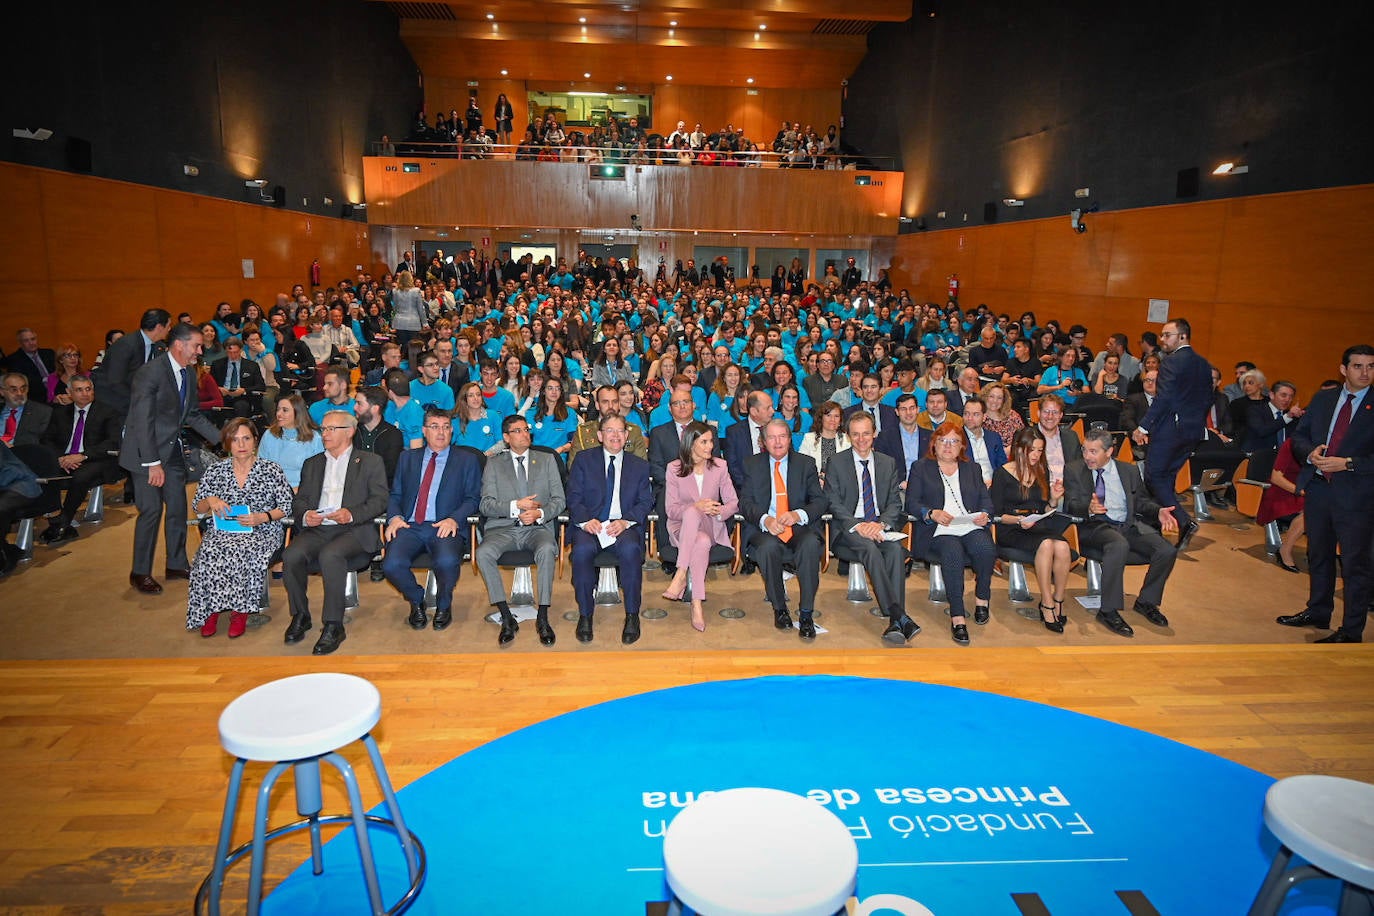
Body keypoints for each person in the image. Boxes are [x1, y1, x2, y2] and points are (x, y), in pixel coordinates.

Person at [1277, 344, 1374, 644]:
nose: (1365, 372)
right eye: (1358, 366)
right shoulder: (1324, 399)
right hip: (1320, 487)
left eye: (1370, 366)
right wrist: (1311, 454)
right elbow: (1300, 437)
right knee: (1318, 554)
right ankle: (1318, 610)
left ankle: (1351, 629)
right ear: (1344, 370)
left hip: (1357, 494)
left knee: (1355, 563)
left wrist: (1348, 463)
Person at [118, 322, 222, 594]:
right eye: (197, 346)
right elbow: (142, 421)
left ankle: (175, 563)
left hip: (172, 451)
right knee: (151, 511)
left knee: (177, 507)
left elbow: (191, 415)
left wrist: (226, 439)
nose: (200, 351)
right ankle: (139, 572)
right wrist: (152, 463)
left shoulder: (188, 372)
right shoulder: (149, 374)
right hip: (145, 453)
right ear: (180, 345)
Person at [282, 410, 390, 655]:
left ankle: (333, 624)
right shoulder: (313, 464)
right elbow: (300, 501)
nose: (325, 434)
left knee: (331, 555)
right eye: (324, 429)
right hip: (319, 529)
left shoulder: (370, 461)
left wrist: (351, 513)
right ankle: (300, 615)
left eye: (332, 429)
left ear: (350, 432)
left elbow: (380, 500)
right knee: (291, 556)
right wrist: (305, 515)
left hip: (354, 530)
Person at [1064, 428, 1179, 638]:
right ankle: (1108, 610)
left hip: (1128, 525)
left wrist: (1159, 510)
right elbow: (1070, 505)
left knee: (1166, 550)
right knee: (1118, 544)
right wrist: (1088, 508)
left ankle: (1147, 602)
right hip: (1095, 526)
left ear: (1109, 452)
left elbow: (1142, 502)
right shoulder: (1073, 469)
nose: (1087, 456)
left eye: (1093, 451)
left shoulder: (1129, 471)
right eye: (1085, 450)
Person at [185, 419, 293, 638]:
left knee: (243, 550)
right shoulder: (215, 470)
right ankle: (211, 609)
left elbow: (287, 506)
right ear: (227, 443)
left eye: (246, 438)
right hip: (224, 530)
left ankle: (240, 610)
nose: (241, 444)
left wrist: (262, 517)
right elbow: (198, 507)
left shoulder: (271, 469)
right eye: (235, 440)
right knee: (208, 553)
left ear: (255, 441)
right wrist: (211, 499)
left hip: (262, 529)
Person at [383, 408, 483, 635]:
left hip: (444, 525)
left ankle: (444, 604)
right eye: (435, 427)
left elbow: (473, 498)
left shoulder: (467, 460)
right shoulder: (407, 458)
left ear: (452, 431)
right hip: (410, 525)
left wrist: (454, 519)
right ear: (424, 431)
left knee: (447, 561)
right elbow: (396, 494)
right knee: (391, 564)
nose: (441, 432)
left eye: (446, 427)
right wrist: (395, 517)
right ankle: (417, 600)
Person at [475, 414, 566, 646]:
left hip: (537, 527)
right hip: (502, 528)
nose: (525, 434)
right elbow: (485, 504)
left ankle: (543, 616)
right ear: (506, 437)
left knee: (547, 548)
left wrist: (539, 513)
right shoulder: (494, 464)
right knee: (483, 553)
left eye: (526, 429)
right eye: (517, 431)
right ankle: (506, 617)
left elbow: (559, 500)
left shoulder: (546, 460)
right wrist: (516, 507)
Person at [824, 411, 915, 645]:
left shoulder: (887, 462)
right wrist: (858, 525)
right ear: (848, 436)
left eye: (866, 433)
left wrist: (880, 524)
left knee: (895, 551)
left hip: (879, 525)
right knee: (870, 549)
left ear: (874, 434)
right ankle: (898, 615)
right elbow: (832, 502)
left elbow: (895, 502)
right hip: (849, 530)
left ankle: (896, 621)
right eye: (855, 434)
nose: (861, 439)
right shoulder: (836, 462)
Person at [906, 422, 996, 645]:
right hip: (939, 529)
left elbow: (986, 501)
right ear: (934, 444)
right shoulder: (921, 467)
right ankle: (958, 617)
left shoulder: (972, 469)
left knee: (985, 548)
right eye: (942, 441)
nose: (948, 446)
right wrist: (931, 513)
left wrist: (985, 513)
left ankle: (982, 597)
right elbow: (911, 503)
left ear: (962, 446)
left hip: (969, 525)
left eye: (954, 441)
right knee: (952, 553)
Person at [566, 414, 654, 645]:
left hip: (623, 525)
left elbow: (645, 502)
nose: (615, 436)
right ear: (599, 435)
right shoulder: (584, 460)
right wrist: (586, 521)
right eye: (609, 431)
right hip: (592, 525)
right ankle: (585, 614)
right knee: (582, 552)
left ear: (627, 436)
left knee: (631, 549)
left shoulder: (640, 466)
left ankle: (632, 615)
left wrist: (626, 521)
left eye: (620, 431)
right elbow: (573, 497)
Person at [740, 418, 828, 639]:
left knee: (809, 544)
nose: (777, 442)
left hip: (795, 524)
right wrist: (766, 520)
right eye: (771, 437)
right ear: (763, 441)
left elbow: (819, 501)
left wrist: (797, 514)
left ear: (790, 439)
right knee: (768, 548)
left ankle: (806, 613)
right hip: (765, 527)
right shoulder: (752, 464)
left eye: (782, 436)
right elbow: (746, 502)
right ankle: (780, 609)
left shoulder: (806, 464)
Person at [1132, 318, 1214, 550]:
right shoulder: (1203, 364)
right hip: (1192, 432)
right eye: (1162, 335)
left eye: (1167, 335)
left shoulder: (1170, 362)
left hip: (1170, 429)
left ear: (1182, 336)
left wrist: (1143, 426)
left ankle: (1183, 521)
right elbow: (1208, 399)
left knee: (1154, 476)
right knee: (1167, 477)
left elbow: (1163, 398)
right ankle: (1162, 522)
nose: (1162, 339)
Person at [991, 427, 1071, 631]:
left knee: (1062, 547)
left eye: (1040, 450)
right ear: (1019, 449)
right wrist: (1018, 520)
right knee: (1046, 545)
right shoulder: (1003, 473)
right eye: (1032, 450)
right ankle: (1046, 603)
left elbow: (1046, 508)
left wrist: (1053, 498)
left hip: (1035, 524)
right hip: (1011, 527)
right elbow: (996, 514)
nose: (1036, 455)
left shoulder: (1040, 472)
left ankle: (1059, 599)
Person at [662, 422, 738, 631]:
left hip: (711, 525)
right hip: (681, 529)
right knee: (698, 534)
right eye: (703, 442)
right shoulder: (674, 469)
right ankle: (696, 604)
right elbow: (671, 510)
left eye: (711, 441)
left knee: (702, 529)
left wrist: (719, 511)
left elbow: (733, 502)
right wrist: (694, 506)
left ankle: (680, 573)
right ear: (690, 443)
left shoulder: (720, 466)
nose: (710, 446)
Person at [37, 375, 121, 544]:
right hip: (65, 459)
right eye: (79, 390)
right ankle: (53, 515)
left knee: (81, 476)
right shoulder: (60, 412)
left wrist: (83, 455)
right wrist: (60, 458)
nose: (85, 393)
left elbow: (112, 442)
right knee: (42, 471)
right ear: (69, 392)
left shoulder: (107, 412)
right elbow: (47, 440)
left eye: (88, 389)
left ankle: (64, 520)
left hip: (95, 459)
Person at [94, 309, 172, 418]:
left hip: (135, 404)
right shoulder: (126, 345)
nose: (170, 329)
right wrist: (140, 401)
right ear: (159, 327)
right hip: (114, 405)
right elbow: (115, 380)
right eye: (168, 325)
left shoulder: (160, 347)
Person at [1257, 439, 1306, 573]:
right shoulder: (1291, 444)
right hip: (1282, 493)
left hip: (1305, 492)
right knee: (1312, 511)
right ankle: (1285, 550)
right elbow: (1276, 478)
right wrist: (1303, 492)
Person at [257, 394, 324, 488]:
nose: (279, 414)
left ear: (298, 413)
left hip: (303, 491)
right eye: (278, 409)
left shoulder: (314, 439)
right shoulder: (269, 435)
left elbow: (317, 474)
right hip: (272, 490)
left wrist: (298, 491)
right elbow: (260, 468)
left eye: (285, 410)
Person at [568, 385, 649, 459]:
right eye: (605, 402)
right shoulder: (582, 432)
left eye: (614, 401)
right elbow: (574, 465)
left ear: (619, 404)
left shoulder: (634, 432)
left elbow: (641, 465)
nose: (610, 406)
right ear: (597, 405)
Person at [352, 386, 403, 485]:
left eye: (359, 404)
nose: (354, 407)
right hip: (353, 489)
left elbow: (390, 470)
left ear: (375, 408)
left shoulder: (393, 435)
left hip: (381, 490)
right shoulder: (351, 431)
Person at [797, 400, 850, 485]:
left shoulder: (847, 440)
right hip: (815, 485)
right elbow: (802, 466)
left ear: (840, 421)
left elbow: (850, 469)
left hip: (841, 486)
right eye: (828, 415)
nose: (832, 419)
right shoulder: (809, 438)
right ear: (821, 418)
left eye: (836, 416)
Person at [1034, 393, 1082, 485]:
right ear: (1038, 413)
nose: (1050, 416)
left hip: (1068, 490)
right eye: (1046, 411)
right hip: (1039, 491)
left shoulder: (1071, 437)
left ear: (1061, 415)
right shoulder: (1028, 437)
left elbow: (1079, 468)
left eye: (1055, 412)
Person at [960, 397, 1006, 488]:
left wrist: (995, 482)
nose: (970, 418)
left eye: (975, 414)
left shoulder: (994, 437)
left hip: (994, 486)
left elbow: (1002, 466)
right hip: (969, 487)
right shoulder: (957, 439)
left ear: (984, 417)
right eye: (966, 414)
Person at [3, 329, 55, 404]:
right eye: (26, 341)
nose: (31, 343)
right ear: (20, 343)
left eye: (33, 339)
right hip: (35, 399)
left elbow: (59, 372)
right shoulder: (14, 360)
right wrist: (46, 379)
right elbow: (22, 382)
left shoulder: (49, 353)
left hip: (57, 393)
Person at [0, 372, 52, 447]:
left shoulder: (43, 412)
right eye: (14, 390)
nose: (19, 393)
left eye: (23, 388)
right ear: (2, 392)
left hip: (21, 455)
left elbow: (45, 444)